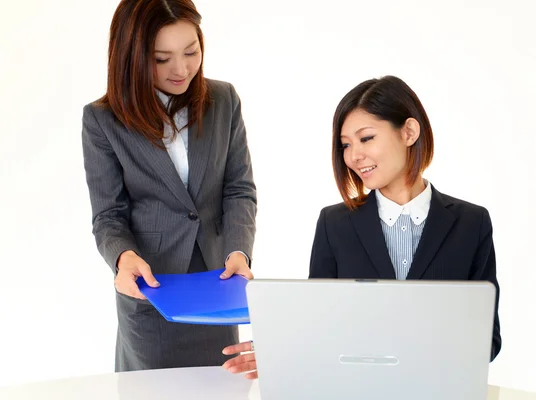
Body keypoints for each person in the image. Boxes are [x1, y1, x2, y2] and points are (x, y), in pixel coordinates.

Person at [221, 75, 501, 379]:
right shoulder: (335, 224)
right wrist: (284, 350)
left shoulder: (471, 224)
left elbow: (488, 341)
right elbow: (321, 324)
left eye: (366, 138)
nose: (354, 156)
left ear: (408, 132)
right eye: (345, 145)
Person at [81, 0, 257, 372]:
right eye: (162, 59)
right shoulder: (103, 119)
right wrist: (122, 258)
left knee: (221, 389)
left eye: (191, 52)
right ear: (131, 56)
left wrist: (238, 252)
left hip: (216, 285)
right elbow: (108, 215)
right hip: (151, 292)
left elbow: (238, 189)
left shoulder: (223, 100)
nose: (181, 69)